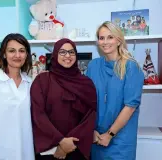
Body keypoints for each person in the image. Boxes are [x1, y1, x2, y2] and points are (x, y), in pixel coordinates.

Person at [30, 38, 97, 160]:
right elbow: (38, 115)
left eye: (71, 52)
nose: (67, 55)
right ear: (55, 55)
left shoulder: (86, 83)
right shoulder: (42, 81)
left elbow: (90, 117)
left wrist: (67, 145)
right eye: (62, 52)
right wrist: (60, 141)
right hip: (49, 149)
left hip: (76, 147)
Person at [86, 21, 144, 160]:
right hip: (96, 137)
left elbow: (130, 106)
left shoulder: (131, 67)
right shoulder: (93, 66)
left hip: (120, 138)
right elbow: (87, 100)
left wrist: (110, 134)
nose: (105, 42)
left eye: (110, 37)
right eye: (101, 38)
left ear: (119, 40)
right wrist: (90, 130)